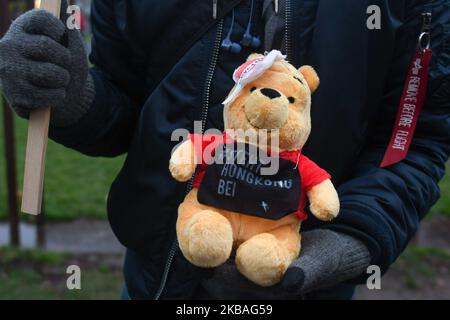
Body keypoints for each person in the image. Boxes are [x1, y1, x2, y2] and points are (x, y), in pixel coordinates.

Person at [0, 0, 449, 300]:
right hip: (156, 281)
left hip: (305, 280)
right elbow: (124, 106)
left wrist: (347, 240)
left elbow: (414, 138)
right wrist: (73, 98)